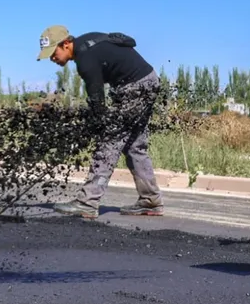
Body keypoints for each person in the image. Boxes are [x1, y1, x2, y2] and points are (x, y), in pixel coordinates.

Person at [37, 25, 165, 219]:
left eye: (53, 53)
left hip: (135, 87)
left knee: (109, 143)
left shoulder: (85, 59)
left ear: (65, 44)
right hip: (148, 81)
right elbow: (128, 41)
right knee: (134, 146)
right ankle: (150, 200)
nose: (52, 59)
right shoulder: (90, 40)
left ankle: (87, 201)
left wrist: (97, 125)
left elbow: (98, 101)